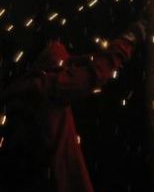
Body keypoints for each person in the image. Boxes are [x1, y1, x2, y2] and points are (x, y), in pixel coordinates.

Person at [0, 21, 145, 192]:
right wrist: (128, 40)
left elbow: (81, 62)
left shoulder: (23, 88)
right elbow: (93, 73)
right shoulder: (48, 88)